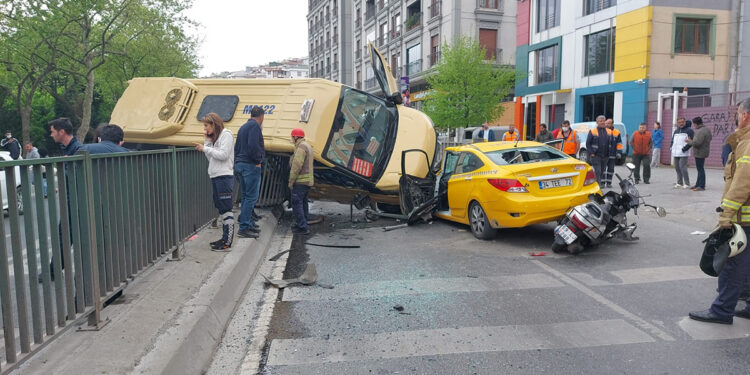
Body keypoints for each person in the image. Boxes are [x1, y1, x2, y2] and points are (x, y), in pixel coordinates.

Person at [689, 98, 750, 325]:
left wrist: (726, 213)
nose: (736, 117)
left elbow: (742, 183)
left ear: (745, 116)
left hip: (744, 217)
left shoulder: (747, 143)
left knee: (731, 264)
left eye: (738, 113)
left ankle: (722, 311)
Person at [196, 113, 235, 251]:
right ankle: (225, 238)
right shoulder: (215, 138)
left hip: (224, 176)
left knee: (226, 208)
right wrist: (207, 142)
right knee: (221, 207)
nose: (205, 129)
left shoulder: (226, 134)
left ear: (214, 124)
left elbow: (223, 155)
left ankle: (227, 241)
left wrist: (205, 148)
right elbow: (211, 158)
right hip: (216, 175)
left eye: (206, 126)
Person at [234, 106, 265, 239]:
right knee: (251, 197)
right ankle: (244, 227)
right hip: (250, 166)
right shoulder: (255, 127)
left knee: (246, 196)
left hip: (240, 164)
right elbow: (253, 146)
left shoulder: (243, 127)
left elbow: (237, 147)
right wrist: (258, 160)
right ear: (262, 116)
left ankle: (247, 223)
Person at [288, 128, 314, 235]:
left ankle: (302, 227)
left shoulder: (301, 147)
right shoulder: (307, 146)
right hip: (307, 182)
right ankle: (303, 223)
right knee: (303, 203)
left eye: (292, 137)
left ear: (295, 137)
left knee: (296, 203)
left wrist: (291, 181)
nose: (292, 139)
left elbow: (296, 165)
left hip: (300, 181)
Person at [585, 115, 615, 187]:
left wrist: (611, 153)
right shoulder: (592, 131)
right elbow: (588, 143)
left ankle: (596, 184)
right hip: (595, 155)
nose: (602, 122)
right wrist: (591, 153)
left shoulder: (609, 131)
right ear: (597, 122)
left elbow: (613, 143)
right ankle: (597, 186)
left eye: (603, 121)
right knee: (598, 171)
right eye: (600, 121)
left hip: (605, 155)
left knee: (602, 171)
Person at [687, 116, 712, 191]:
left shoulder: (700, 131)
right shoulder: (706, 129)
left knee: (700, 169)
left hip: (699, 152)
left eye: (694, 124)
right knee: (699, 168)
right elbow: (710, 138)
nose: (693, 125)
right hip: (704, 151)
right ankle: (698, 184)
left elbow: (697, 143)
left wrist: (689, 141)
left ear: (695, 123)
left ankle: (701, 185)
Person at [670, 117, 695, 189]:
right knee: (677, 167)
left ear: (685, 122)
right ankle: (679, 182)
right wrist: (671, 147)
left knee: (683, 167)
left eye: (682, 122)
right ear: (677, 123)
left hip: (683, 153)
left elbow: (692, 141)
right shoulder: (676, 131)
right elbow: (672, 140)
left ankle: (687, 183)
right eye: (679, 122)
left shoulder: (689, 130)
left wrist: (685, 149)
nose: (681, 123)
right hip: (675, 152)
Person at [605, 119, 621, 184]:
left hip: (612, 154)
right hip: (604, 155)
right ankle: (602, 183)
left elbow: (619, 144)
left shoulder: (617, 132)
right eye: (606, 123)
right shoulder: (602, 131)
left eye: (608, 123)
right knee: (603, 169)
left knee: (611, 169)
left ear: (612, 124)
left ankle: (609, 183)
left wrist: (619, 152)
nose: (607, 124)